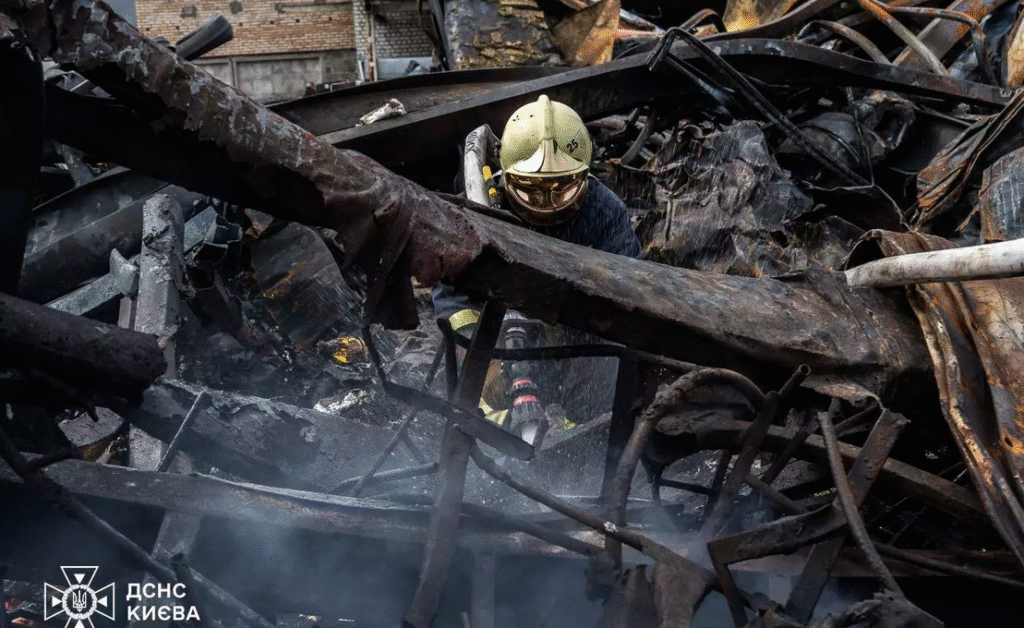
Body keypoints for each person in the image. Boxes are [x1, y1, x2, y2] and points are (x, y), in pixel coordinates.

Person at [433, 95, 641, 435]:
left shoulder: (604, 213)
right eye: (531, 190)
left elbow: (630, 290)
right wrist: (480, 353)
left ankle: (584, 430)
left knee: (603, 384)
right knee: (478, 396)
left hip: (577, 332)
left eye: (561, 189)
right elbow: (450, 295)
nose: (547, 204)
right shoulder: (478, 209)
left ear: (584, 175)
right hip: (497, 330)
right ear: (506, 176)